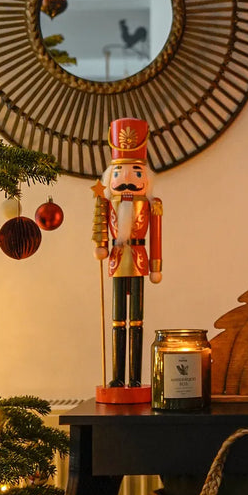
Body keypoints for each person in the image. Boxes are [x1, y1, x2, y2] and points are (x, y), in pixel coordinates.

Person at [93, 118, 162, 400]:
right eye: (120, 173)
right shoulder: (106, 203)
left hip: (140, 258)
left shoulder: (152, 205)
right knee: (117, 319)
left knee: (137, 320)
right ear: (111, 177)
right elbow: (99, 226)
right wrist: (100, 245)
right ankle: (117, 377)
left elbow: (156, 236)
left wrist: (157, 266)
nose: (128, 181)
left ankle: (135, 378)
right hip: (116, 259)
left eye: (136, 173)